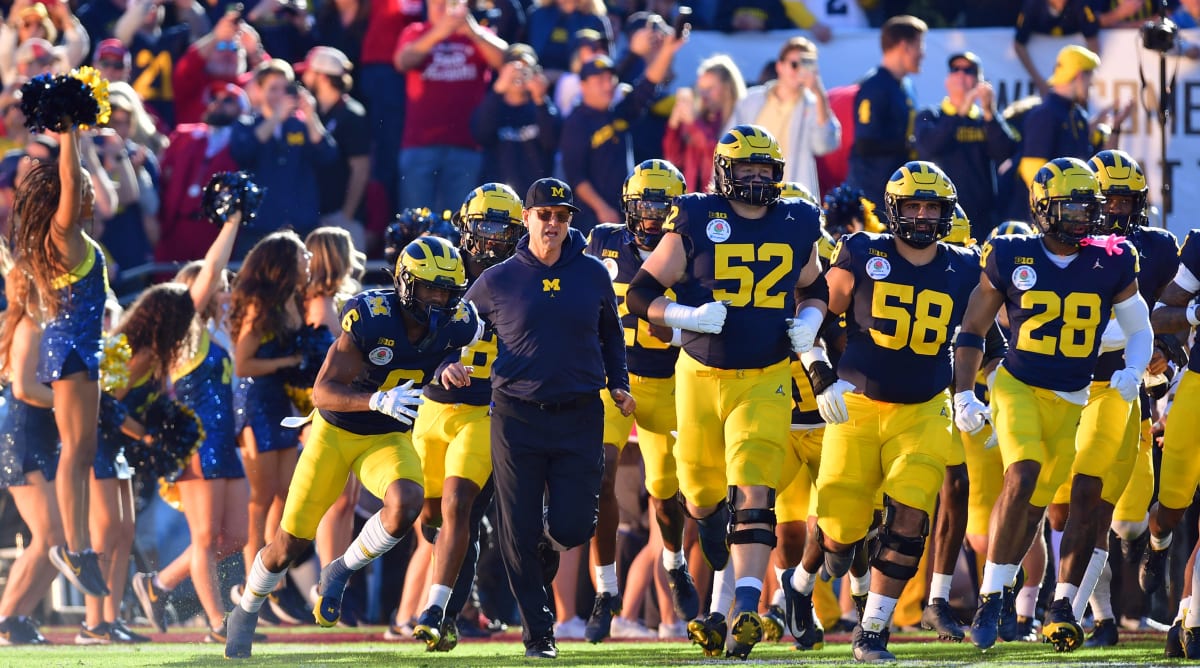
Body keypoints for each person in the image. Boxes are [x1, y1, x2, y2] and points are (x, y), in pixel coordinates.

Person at [224, 236, 482, 659]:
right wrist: (376, 399)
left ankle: (340, 568)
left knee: (407, 503)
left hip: (387, 434)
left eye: (447, 292)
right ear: (405, 285)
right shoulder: (373, 317)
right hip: (336, 430)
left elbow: (447, 355)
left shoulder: (459, 324)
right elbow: (322, 392)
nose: (439, 301)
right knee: (289, 544)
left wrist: (446, 368)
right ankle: (247, 608)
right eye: (431, 289)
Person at [626, 125, 826, 660]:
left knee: (754, 488)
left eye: (766, 170)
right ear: (723, 172)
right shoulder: (695, 215)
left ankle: (745, 608)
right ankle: (716, 546)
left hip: (765, 376)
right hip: (697, 376)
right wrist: (684, 314)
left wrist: (811, 317)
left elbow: (814, 284)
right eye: (747, 170)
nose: (758, 180)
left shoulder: (796, 219)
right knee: (701, 497)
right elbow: (641, 292)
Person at [778, 162, 980, 661]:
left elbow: (986, 334)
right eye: (913, 205)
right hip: (860, 402)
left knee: (911, 516)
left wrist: (971, 391)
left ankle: (872, 632)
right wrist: (815, 359)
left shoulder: (964, 266)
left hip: (926, 407)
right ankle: (800, 583)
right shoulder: (865, 250)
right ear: (894, 209)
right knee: (841, 535)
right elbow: (821, 306)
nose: (923, 215)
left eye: (932, 207)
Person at [955, 157, 1150, 653]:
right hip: (1018, 386)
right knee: (1020, 476)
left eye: (1090, 207)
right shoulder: (1010, 254)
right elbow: (973, 330)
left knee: (1037, 504)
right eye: (1072, 206)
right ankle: (989, 597)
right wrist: (961, 392)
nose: (1083, 217)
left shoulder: (1112, 258)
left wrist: (1133, 369)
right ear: (1043, 208)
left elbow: (1140, 328)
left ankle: (1021, 594)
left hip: (1073, 399)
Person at [462, 177, 633, 659]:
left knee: (576, 525)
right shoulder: (498, 278)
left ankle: (547, 539)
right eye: (544, 215)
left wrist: (618, 382)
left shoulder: (594, 273)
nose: (553, 224)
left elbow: (612, 334)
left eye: (561, 216)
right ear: (527, 219)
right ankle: (539, 635)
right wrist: (450, 361)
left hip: (580, 411)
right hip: (516, 416)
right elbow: (458, 326)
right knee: (514, 528)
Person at [583, 159, 698, 643]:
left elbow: (715, 324)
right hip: (613, 384)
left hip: (670, 385)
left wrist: (673, 332)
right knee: (598, 478)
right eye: (644, 207)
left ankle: (673, 563)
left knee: (668, 499)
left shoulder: (695, 250)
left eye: (662, 208)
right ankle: (606, 592)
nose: (652, 218)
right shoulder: (601, 242)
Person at [411, 183, 525, 651]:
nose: (494, 238)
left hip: (488, 410)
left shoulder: (526, 276)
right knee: (432, 520)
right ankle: (452, 608)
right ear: (465, 226)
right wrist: (437, 364)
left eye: (504, 228)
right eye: (485, 226)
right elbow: (410, 334)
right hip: (435, 405)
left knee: (463, 507)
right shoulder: (443, 268)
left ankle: (440, 613)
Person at [132, 212, 249, 642]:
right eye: (219, 289)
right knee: (203, 538)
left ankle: (159, 583)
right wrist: (232, 220)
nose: (224, 295)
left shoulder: (216, 335)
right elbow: (212, 268)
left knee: (236, 535)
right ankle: (219, 623)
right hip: (197, 447)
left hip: (223, 445)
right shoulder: (185, 334)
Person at [8, 127, 108, 599]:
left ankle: (79, 546)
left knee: (83, 450)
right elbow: (69, 178)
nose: (89, 194)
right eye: (85, 188)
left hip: (81, 352)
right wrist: (70, 131)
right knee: (76, 450)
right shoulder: (64, 234)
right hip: (69, 350)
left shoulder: (70, 238)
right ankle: (76, 546)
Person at [227, 230, 307, 623]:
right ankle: (250, 586)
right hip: (257, 404)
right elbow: (243, 364)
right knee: (260, 500)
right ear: (284, 264)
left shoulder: (291, 300)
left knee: (285, 495)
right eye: (302, 257)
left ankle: (272, 581)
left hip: (281, 402)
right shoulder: (260, 305)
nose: (309, 262)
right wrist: (287, 364)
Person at [560, 29, 683, 234]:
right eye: (600, 81)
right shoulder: (576, 122)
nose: (608, 85)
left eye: (611, 79)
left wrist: (668, 50)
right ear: (583, 85)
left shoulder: (619, 113)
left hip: (625, 211)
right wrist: (602, 208)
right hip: (592, 217)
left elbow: (648, 84)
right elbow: (576, 177)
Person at [394, 0, 507, 215]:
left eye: (449, 2)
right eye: (437, 2)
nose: (442, 8)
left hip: (466, 145)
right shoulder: (416, 31)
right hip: (420, 144)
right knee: (416, 223)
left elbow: (507, 60)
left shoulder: (477, 33)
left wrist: (473, 32)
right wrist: (438, 33)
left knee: (460, 225)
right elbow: (403, 61)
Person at [0, 251, 61, 646]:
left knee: (62, 540)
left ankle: (17, 616)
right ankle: (8, 617)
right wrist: (72, 402)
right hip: (21, 435)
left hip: (37, 434)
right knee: (50, 536)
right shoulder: (29, 326)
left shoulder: (40, 322)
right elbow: (23, 387)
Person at [230, 60, 337, 258]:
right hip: (260, 225)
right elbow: (243, 152)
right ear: (259, 91)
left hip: (300, 224)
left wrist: (311, 116)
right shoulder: (246, 124)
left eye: (285, 88)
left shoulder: (302, 125)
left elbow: (327, 156)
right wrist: (275, 118)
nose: (280, 95)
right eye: (273, 89)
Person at [1010, 45, 1130, 221]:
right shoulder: (1045, 115)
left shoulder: (1078, 115)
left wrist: (1116, 126)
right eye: (1091, 77)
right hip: (1047, 222)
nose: (1092, 84)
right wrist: (1051, 217)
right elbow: (1032, 172)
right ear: (1080, 75)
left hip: (1072, 217)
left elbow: (1102, 162)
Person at [915, 51, 1018, 239]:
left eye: (969, 70)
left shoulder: (984, 119)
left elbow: (1004, 152)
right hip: (940, 212)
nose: (961, 74)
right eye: (956, 69)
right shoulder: (931, 114)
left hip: (981, 216)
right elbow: (929, 147)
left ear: (979, 82)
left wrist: (989, 112)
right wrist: (960, 113)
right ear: (947, 80)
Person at [727, 36, 839, 196]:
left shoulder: (814, 103)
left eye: (806, 65)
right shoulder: (751, 100)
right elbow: (728, 144)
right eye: (794, 64)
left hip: (790, 197)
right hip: (749, 191)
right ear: (779, 66)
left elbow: (825, 145)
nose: (800, 71)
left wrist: (819, 92)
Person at [155, 82, 246, 267]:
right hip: (176, 227)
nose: (218, 103)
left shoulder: (245, 141)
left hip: (215, 229)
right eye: (214, 98)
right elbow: (163, 174)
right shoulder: (184, 135)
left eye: (228, 100)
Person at [847, 14, 926, 213]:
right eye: (919, 46)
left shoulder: (907, 85)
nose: (922, 53)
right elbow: (865, 144)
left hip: (896, 191)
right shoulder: (874, 86)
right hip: (872, 195)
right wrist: (910, 145)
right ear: (903, 46)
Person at [300, 47, 372, 252]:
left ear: (322, 77)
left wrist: (346, 214)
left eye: (308, 71)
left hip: (340, 218)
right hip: (316, 214)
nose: (304, 77)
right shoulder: (312, 113)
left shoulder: (352, 114)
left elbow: (361, 168)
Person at [471, 44, 562, 199]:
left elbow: (552, 141)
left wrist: (541, 98)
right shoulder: (493, 105)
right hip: (496, 197)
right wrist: (498, 89)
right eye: (513, 69)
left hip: (536, 199)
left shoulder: (543, 106)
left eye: (526, 69)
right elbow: (480, 133)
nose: (519, 75)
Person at [663, 54, 746, 194]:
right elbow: (673, 158)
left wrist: (693, 124)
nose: (703, 94)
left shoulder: (740, 119)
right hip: (695, 200)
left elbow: (718, 157)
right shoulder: (700, 120)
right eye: (701, 88)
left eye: (710, 88)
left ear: (727, 88)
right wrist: (674, 123)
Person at [1013, 0, 1101, 96]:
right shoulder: (1033, 5)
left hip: (1070, 83)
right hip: (1051, 84)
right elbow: (1019, 43)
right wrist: (1039, 82)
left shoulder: (1080, 4)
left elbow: (1093, 42)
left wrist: (1082, 78)